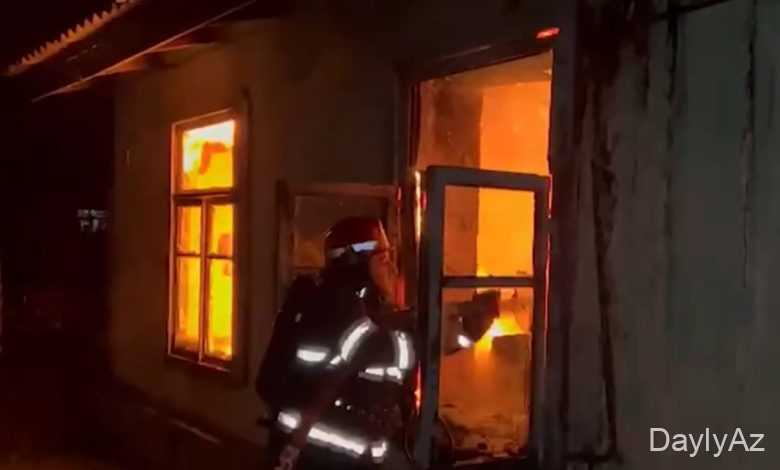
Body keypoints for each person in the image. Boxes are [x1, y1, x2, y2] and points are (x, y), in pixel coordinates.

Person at [257, 217, 499, 469]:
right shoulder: (337, 308)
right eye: (383, 260)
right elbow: (387, 348)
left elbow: (397, 332)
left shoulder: (341, 304)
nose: (392, 269)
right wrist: (456, 323)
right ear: (356, 261)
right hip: (323, 456)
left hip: (329, 451)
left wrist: (465, 324)